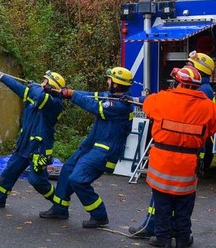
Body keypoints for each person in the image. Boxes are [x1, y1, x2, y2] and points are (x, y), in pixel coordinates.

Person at [129, 51, 215, 240]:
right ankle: (183, 239)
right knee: (184, 205)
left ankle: (161, 238)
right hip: (188, 164)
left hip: (162, 163)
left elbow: (148, 106)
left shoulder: (162, 98)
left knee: (162, 203)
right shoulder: (208, 104)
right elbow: (210, 130)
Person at [40, 67, 134, 228]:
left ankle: (99, 215)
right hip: (91, 146)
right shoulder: (111, 96)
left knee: (78, 179)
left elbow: (93, 107)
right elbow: (89, 95)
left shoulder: (121, 106)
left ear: (117, 85)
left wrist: (72, 94)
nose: (107, 81)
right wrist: (61, 92)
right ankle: (59, 208)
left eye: (109, 79)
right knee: (67, 169)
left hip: (104, 151)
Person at [0, 68, 66, 209]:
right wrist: (2, 76)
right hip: (25, 144)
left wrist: (33, 86)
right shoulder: (36, 95)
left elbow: (39, 95)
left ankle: (59, 204)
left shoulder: (54, 103)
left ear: (51, 86)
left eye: (44, 81)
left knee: (37, 180)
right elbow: (19, 88)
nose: (41, 83)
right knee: (9, 171)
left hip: (39, 148)